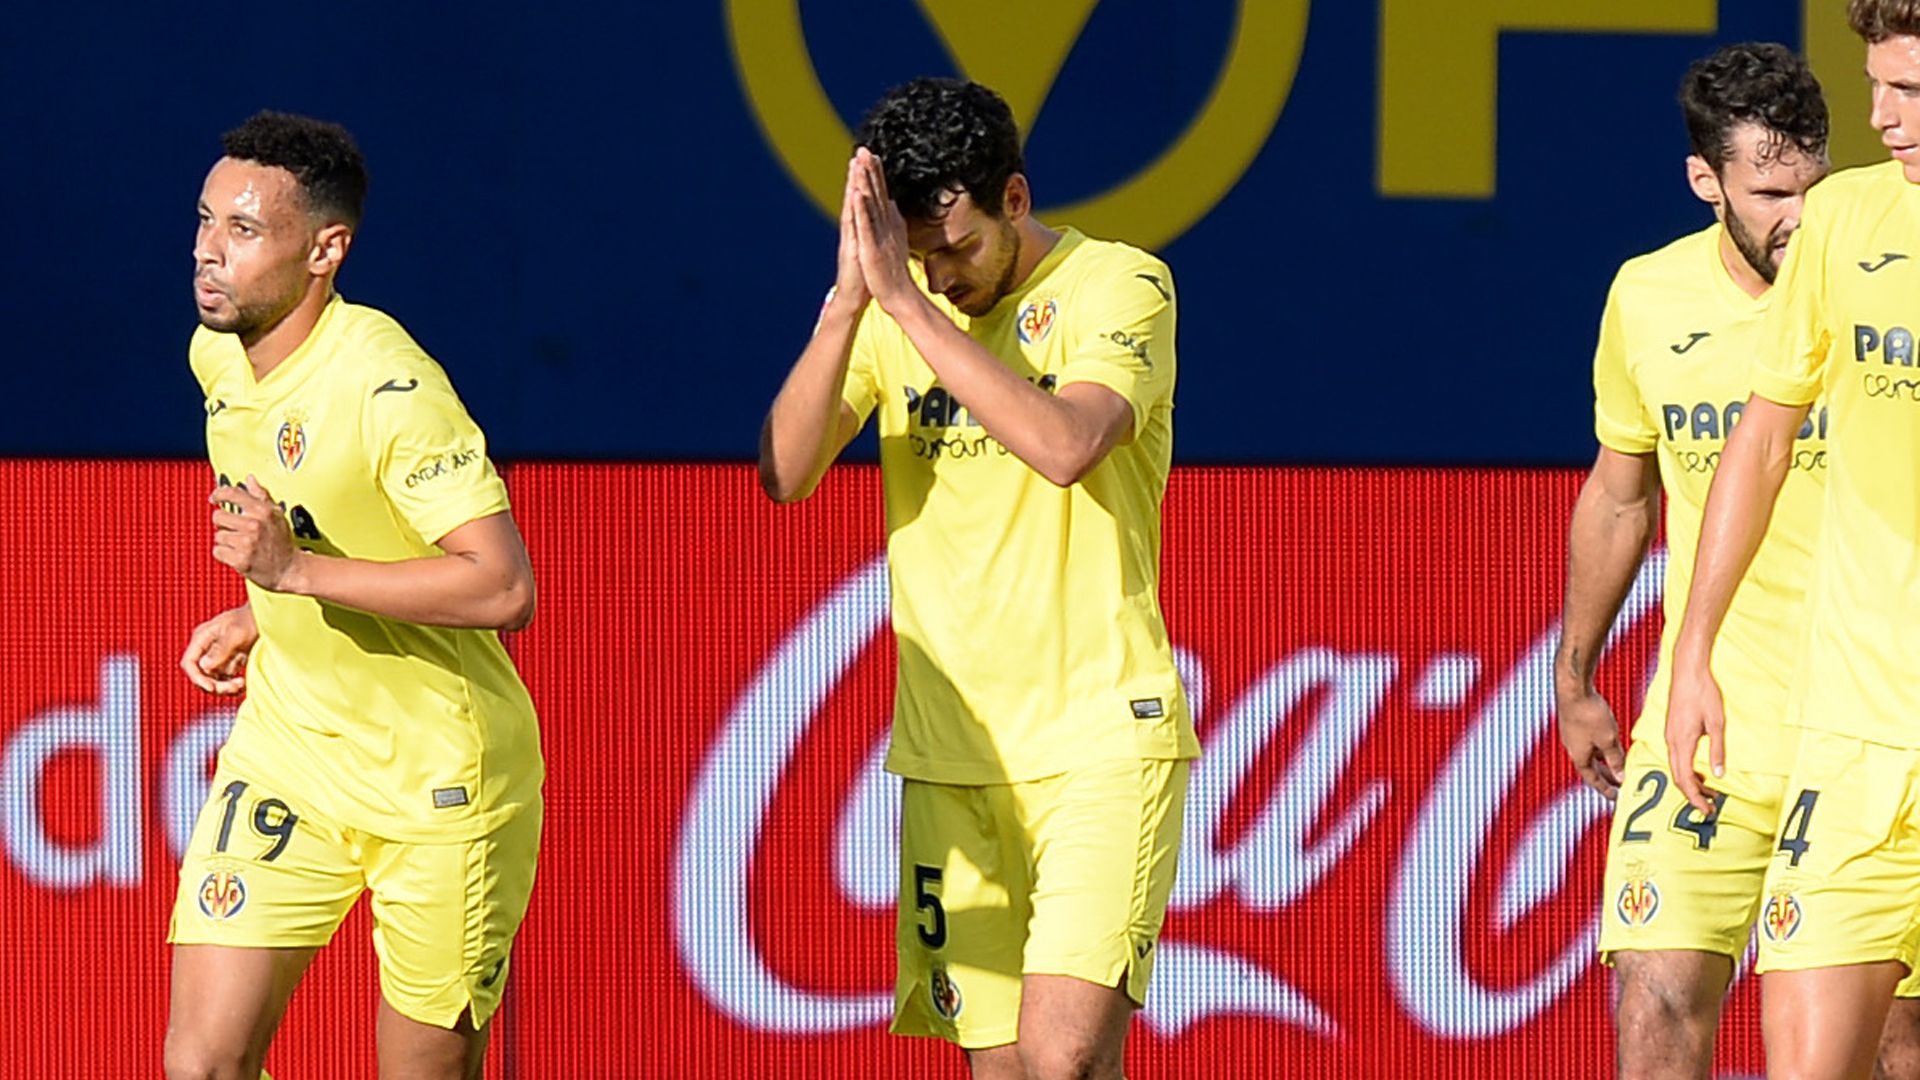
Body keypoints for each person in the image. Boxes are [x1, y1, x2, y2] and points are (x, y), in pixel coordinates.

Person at [758, 78, 1197, 1080]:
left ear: (1013, 198)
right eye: (918, 255)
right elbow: (786, 472)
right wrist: (849, 302)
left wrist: (908, 307)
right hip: (951, 757)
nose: (943, 276)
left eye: (956, 249)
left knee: (1063, 1063)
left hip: (1100, 741)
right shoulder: (891, 309)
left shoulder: (1119, 285)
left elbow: (1069, 444)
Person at [166, 111, 543, 1080]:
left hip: (439, 780)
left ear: (327, 249)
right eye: (207, 220)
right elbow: (334, 524)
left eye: (244, 232)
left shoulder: (390, 390)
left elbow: (503, 586)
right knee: (199, 1064)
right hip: (292, 745)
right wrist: (268, 614)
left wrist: (295, 577)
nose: (209, 251)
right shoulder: (219, 354)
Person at [1556, 42, 1837, 1077]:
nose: (1796, 217)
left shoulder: (1878, 290)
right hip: (1706, 724)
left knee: (1891, 1041)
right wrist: (1576, 674)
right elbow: (1620, 495)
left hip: (1864, 727)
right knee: (1658, 1001)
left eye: (1810, 185)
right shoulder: (1646, 296)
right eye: (1767, 191)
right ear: (1705, 181)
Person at [1665, 4, 1920, 1077]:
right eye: (1875, 85)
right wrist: (1692, 655)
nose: (1879, 117)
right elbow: (1761, 443)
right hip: (1854, 739)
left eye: (1909, 91)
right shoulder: (1847, 220)